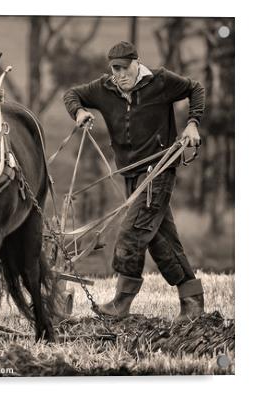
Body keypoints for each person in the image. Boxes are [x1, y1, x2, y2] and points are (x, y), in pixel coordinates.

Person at [63, 41, 205, 322]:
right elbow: (72, 94)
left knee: (132, 233)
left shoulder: (161, 82)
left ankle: (121, 302)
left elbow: (195, 88)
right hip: (129, 173)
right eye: (114, 69)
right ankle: (192, 301)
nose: (119, 74)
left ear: (136, 63)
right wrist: (79, 112)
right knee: (160, 238)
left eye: (124, 68)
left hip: (158, 170)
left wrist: (192, 123)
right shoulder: (105, 88)